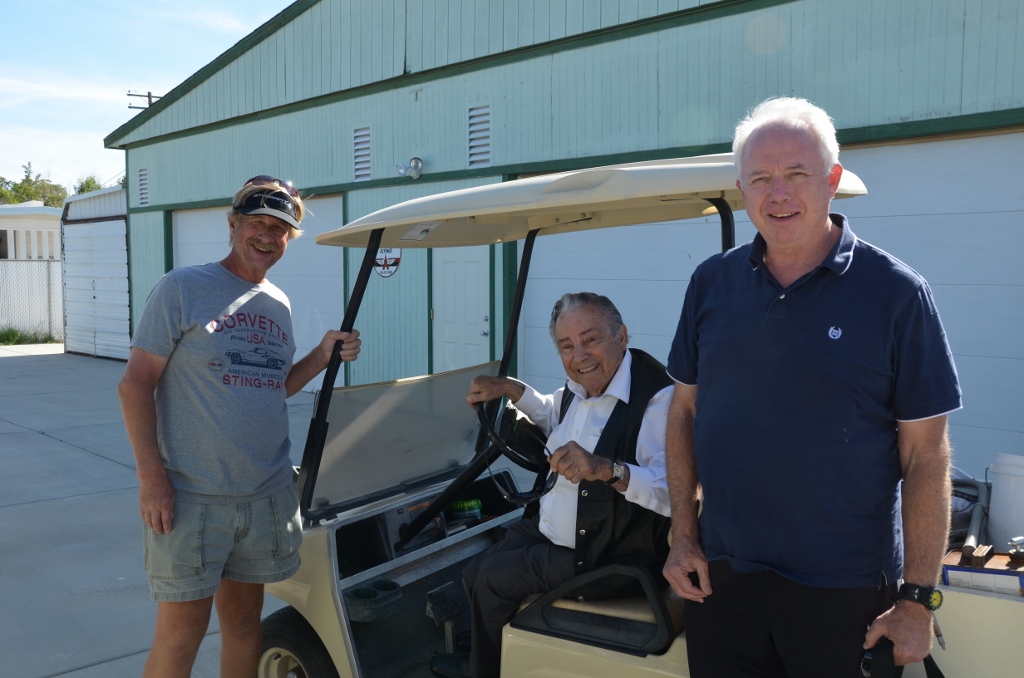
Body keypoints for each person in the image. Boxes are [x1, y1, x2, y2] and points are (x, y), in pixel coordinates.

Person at [662, 97, 962, 677]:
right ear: (741, 189)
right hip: (723, 584)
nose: (778, 194)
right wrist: (682, 535)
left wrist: (917, 600)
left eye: (797, 174)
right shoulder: (711, 284)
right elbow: (683, 413)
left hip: (844, 593)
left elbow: (927, 456)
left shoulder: (897, 295)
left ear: (831, 181)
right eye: (760, 179)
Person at [118, 176, 361, 678]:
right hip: (191, 497)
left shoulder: (279, 304)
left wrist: (320, 355)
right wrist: (151, 480)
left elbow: (271, 386)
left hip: (264, 496)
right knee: (181, 635)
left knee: (246, 624)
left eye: (280, 229)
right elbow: (135, 385)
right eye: (258, 224)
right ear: (233, 224)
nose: (268, 237)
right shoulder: (183, 287)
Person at [429, 292, 673, 678]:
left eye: (591, 339)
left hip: (607, 554)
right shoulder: (583, 387)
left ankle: (485, 669)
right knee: (474, 571)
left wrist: (607, 469)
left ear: (622, 336)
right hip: (554, 531)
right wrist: (509, 388)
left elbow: (675, 494)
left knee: (492, 581)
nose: (580, 356)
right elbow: (550, 412)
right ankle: (486, 643)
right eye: (567, 346)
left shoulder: (657, 402)